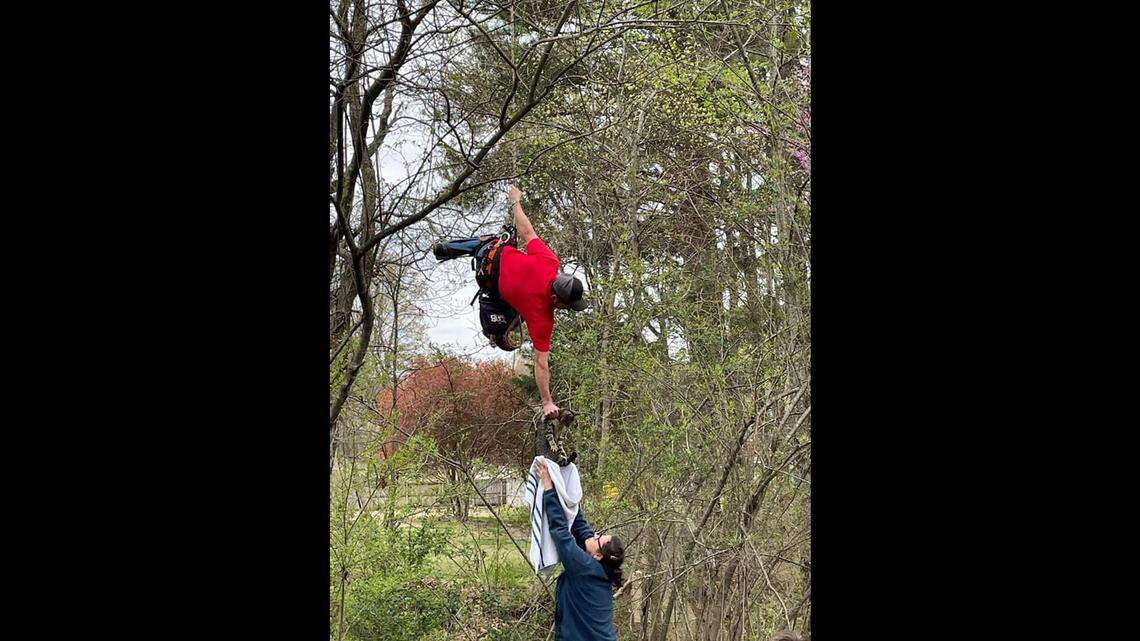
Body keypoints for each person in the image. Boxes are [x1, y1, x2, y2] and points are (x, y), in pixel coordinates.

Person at [433, 184, 588, 417]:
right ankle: (494, 333)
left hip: (490, 256)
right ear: (557, 299)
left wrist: (515, 201)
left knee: (489, 242)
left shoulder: (550, 262)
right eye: (567, 305)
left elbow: (527, 232)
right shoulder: (542, 318)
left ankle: (448, 248)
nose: (567, 309)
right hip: (493, 289)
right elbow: (541, 363)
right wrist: (547, 402)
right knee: (510, 319)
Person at [535, 457, 625, 641]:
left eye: (599, 538)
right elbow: (580, 527)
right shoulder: (600, 568)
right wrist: (566, 490)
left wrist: (549, 487)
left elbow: (560, 532)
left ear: (598, 556)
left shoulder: (585, 567)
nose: (596, 535)